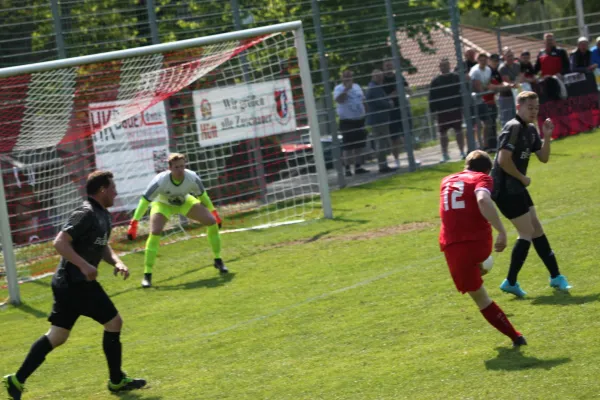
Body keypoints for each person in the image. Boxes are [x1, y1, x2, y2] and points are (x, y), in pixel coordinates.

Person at [3, 171, 146, 400]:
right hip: (75, 283)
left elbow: (101, 246)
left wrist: (117, 262)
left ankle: (16, 380)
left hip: (69, 283)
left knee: (58, 335)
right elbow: (59, 242)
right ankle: (117, 381)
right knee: (114, 322)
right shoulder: (85, 213)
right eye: (112, 187)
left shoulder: (102, 215)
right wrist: (83, 265)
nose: (115, 192)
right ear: (102, 190)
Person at [439, 150, 526, 347]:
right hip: (478, 242)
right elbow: (483, 199)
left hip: (452, 246)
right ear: (488, 170)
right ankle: (481, 264)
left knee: (480, 297)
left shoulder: (446, 180)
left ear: (465, 166)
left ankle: (516, 337)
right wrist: (501, 230)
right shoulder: (482, 178)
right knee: (479, 266)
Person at [491, 91, 571, 297]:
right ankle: (510, 281)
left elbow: (543, 157)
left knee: (536, 228)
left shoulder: (531, 129)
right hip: (505, 190)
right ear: (519, 107)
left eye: (536, 108)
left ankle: (555, 276)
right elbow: (503, 160)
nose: (534, 111)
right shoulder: (513, 127)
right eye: (530, 108)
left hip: (517, 187)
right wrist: (522, 177)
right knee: (527, 233)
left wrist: (546, 136)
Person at [127, 153, 227, 288]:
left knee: (211, 222)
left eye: (182, 166)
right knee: (155, 231)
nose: (180, 170)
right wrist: (134, 223)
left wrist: (214, 212)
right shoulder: (160, 180)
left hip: (184, 202)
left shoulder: (192, 177)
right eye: (176, 167)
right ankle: (147, 274)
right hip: (163, 205)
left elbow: (203, 196)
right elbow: (145, 201)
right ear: (170, 168)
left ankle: (218, 260)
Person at [333, 69, 369, 176]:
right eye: (346, 76)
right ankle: (347, 169)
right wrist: (346, 89)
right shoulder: (338, 88)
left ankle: (358, 167)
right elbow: (339, 100)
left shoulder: (357, 87)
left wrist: (366, 112)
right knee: (348, 146)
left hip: (359, 120)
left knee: (359, 145)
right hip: (347, 121)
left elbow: (363, 100)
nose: (348, 78)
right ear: (342, 78)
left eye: (350, 76)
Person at [429, 58, 465, 162]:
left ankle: (462, 151)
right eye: (442, 65)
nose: (444, 67)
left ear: (449, 66)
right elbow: (432, 97)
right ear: (439, 67)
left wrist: (461, 106)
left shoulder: (456, 77)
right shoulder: (436, 81)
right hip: (442, 111)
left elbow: (461, 92)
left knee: (459, 131)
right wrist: (433, 111)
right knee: (443, 133)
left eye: (446, 65)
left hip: (455, 109)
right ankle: (445, 154)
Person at [382, 59, 411, 169]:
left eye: (390, 65)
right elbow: (382, 96)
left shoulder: (398, 77)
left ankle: (410, 157)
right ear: (384, 67)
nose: (389, 67)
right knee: (394, 138)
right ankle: (396, 160)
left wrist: (404, 90)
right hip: (390, 112)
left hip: (402, 109)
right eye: (387, 65)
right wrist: (392, 95)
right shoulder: (382, 79)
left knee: (406, 134)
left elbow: (408, 89)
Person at [366, 69, 396, 173]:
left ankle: (384, 164)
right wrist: (389, 104)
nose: (381, 79)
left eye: (381, 77)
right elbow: (379, 102)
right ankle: (382, 166)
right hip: (378, 120)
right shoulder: (374, 88)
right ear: (373, 77)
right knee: (381, 142)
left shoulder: (376, 87)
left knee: (383, 142)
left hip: (380, 119)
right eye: (378, 77)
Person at [498, 47, 521, 127]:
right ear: (504, 57)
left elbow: (519, 77)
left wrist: (517, 82)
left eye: (511, 55)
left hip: (516, 93)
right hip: (506, 96)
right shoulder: (502, 68)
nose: (510, 58)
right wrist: (515, 83)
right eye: (508, 56)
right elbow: (507, 81)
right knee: (507, 119)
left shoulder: (517, 65)